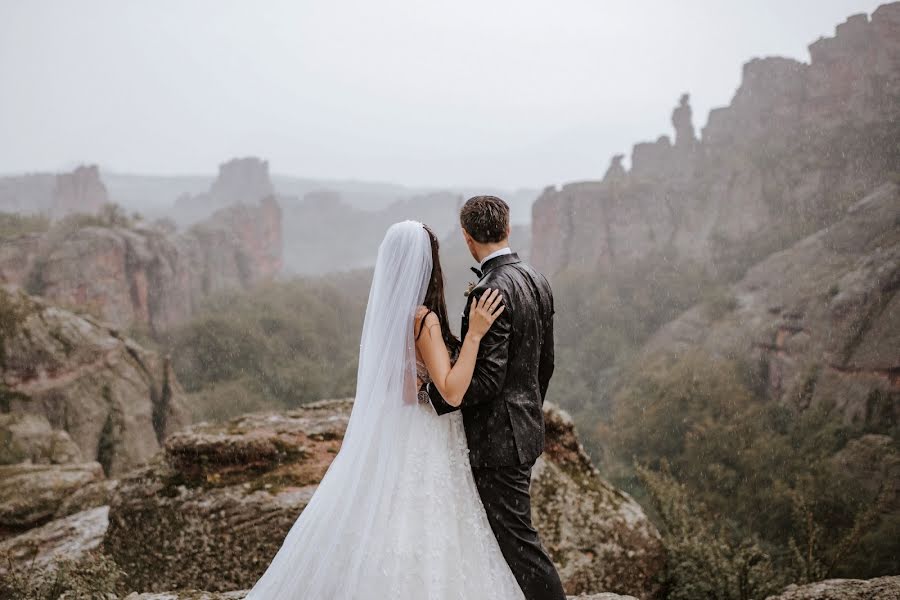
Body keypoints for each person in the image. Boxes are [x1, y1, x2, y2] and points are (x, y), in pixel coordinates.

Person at [244, 220, 524, 599]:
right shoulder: (423, 319)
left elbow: (404, 387)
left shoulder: (389, 317)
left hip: (397, 427)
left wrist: (423, 387)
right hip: (427, 434)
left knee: (386, 516)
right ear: (429, 263)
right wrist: (475, 334)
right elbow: (453, 392)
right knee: (426, 521)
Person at [425, 195, 566, 600]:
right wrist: (527, 414)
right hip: (523, 429)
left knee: (519, 546)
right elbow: (547, 363)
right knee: (508, 539)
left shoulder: (488, 292)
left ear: (468, 239)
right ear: (507, 229)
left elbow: (486, 380)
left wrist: (438, 396)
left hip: (497, 441)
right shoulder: (537, 278)